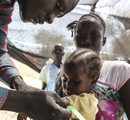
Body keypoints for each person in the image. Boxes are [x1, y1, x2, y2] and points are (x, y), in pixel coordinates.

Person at [0, 0, 79, 119]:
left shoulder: (5, 7)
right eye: (58, 6)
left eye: (58, 15)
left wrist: (21, 85)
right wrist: (24, 102)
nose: (51, 19)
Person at [65, 12, 130, 119]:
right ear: (74, 38)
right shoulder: (64, 75)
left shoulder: (120, 71)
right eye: (80, 35)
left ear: (103, 41)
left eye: (94, 36)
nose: (86, 41)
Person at [56, 48, 101, 120]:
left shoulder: (87, 102)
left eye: (76, 81)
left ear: (93, 80)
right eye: (65, 80)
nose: (68, 86)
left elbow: (57, 104)